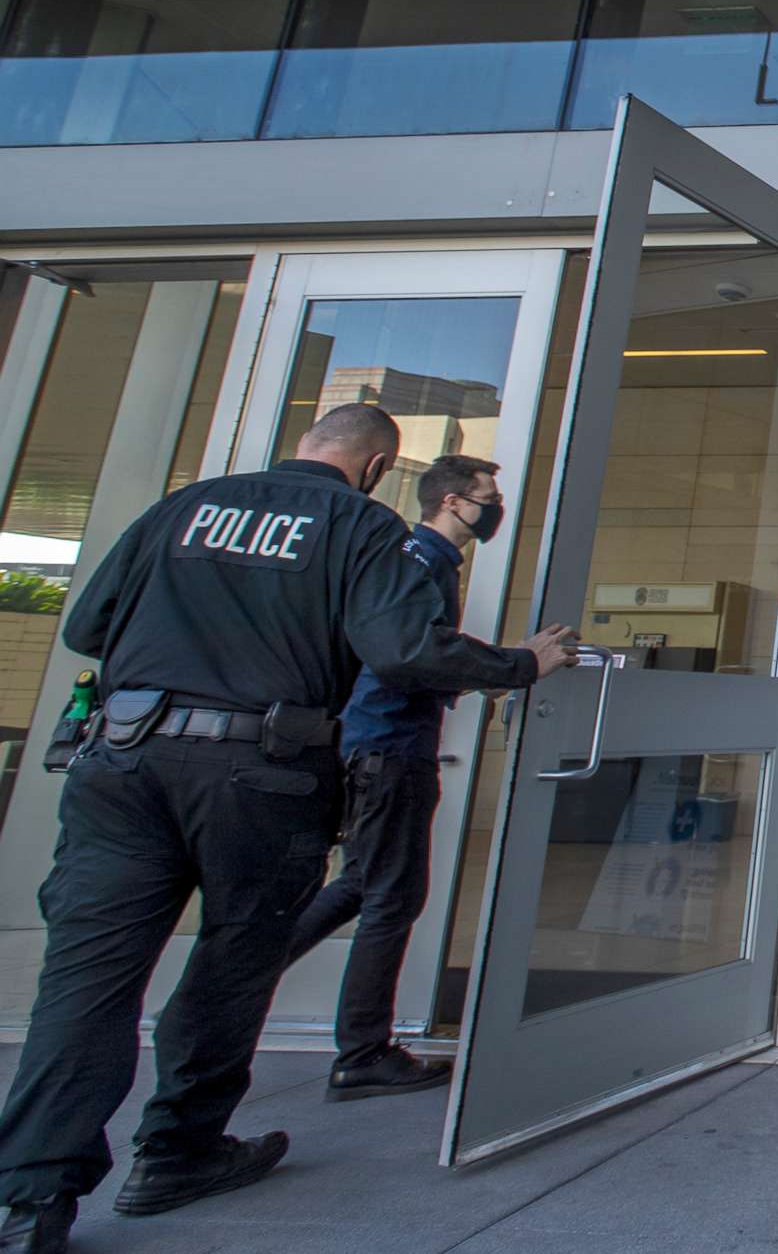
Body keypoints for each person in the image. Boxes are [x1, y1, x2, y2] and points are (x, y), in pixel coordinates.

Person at [0, 406, 576, 1254]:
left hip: (123, 763)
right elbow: (403, 651)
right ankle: (178, 1151)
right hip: (258, 772)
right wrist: (520, 664)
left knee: (85, 982)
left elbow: (87, 627)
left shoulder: (183, 508)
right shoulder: (358, 525)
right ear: (379, 465)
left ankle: (29, 1203)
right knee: (233, 962)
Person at [281, 453, 509, 1102]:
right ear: (451, 502)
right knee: (392, 898)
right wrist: (515, 666)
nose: (494, 507)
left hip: (378, 749)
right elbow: (409, 657)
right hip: (389, 753)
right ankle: (362, 1053)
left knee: (362, 883)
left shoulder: (421, 561)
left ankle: (243, 974)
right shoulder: (421, 560)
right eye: (487, 495)